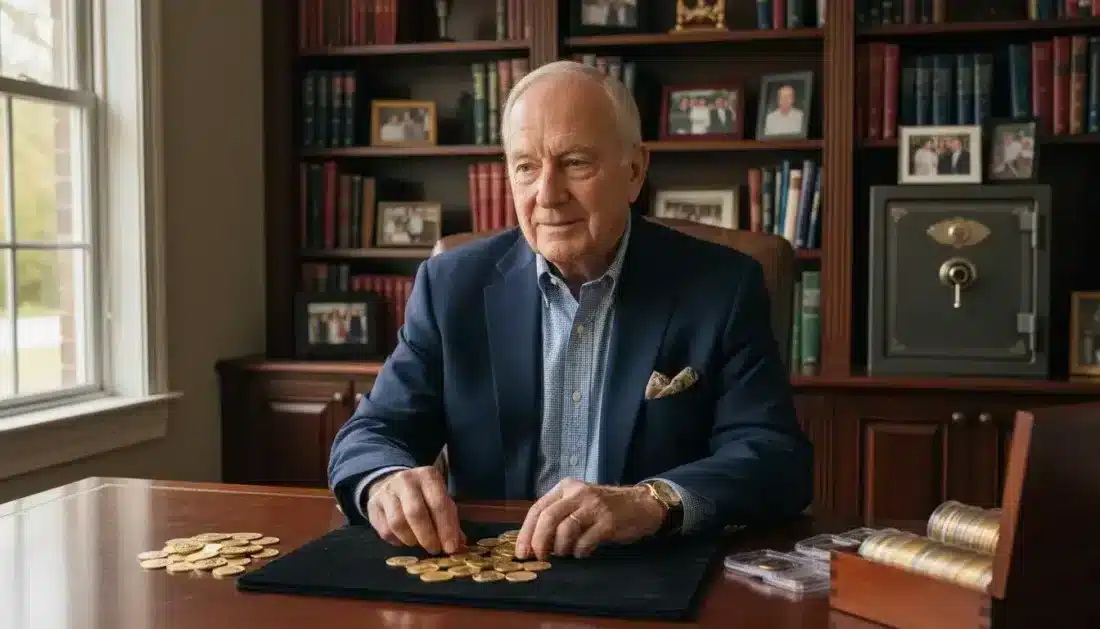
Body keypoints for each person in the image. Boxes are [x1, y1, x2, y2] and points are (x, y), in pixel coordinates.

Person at [327, 60, 812, 562]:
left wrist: (650, 501)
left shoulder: (721, 286)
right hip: (489, 569)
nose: (548, 194)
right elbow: (372, 432)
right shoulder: (453, 285)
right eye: (526, 166)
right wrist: (384, 480)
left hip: (650, 572)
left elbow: (774, 458)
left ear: (634, 171)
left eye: (576, 162)